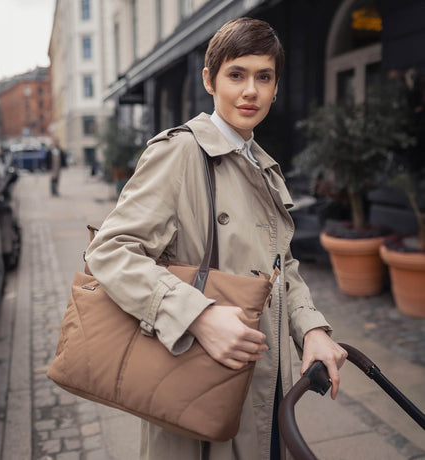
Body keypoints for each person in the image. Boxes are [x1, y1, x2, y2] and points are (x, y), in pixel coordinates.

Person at [86, 17, 347, 460]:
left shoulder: (259, 162)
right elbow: (110, 251)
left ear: (276, 87)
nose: (251, 91)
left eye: (264, 77)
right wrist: (197, 315)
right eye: (236, 75)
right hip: (195, 383)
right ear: (210, 80)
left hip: (264, 380)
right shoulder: (180, 152)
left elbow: (281, 265)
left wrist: (313, 328)